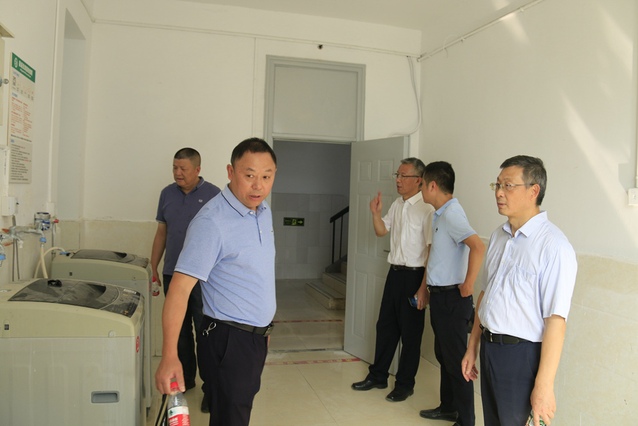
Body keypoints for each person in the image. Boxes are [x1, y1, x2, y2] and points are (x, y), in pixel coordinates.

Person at [155, 137, 277, 426]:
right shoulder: (212, 222)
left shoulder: (262, 211)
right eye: (249, 175)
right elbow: (179, 290)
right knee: (230, 417)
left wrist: (264, 326)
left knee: (237, 412)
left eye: (266, 176)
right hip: (228, 339)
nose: (258, 186)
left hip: (254, 337)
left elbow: (258, 272)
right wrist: (170, 356)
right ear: (230, 172)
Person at [461, 155, 577, 426]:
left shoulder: (554, 246)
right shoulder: (498, 236)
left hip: (521, 356)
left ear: (533, 191)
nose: (499, 193)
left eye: (508, 185)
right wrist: (472, 345)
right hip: (490, 348)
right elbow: (485, 294)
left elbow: (556, 321)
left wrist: (544, 386)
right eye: (497, 185)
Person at [351, 158, 434, 402]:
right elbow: (381, 231)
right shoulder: (398, 204)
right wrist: (375, 214)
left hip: (415, 276)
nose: (398, 180)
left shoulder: (427, 209)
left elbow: (432, 251)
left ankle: (405, 385)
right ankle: (378, 376)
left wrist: (424, 288)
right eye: (397, 175)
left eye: (403, 176)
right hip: (395, 274)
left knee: (410, 334)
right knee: (386, 326)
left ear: (418, 180)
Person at [151, 147, 220, 412]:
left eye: (183, 169)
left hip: (203, 277)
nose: (178, 173)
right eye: (174, 168)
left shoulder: (214, 195)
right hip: (172, 272)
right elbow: (162, 232)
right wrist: (154, 265)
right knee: (178, 332)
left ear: (197, 169)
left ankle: (210, 388)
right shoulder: (166, 194)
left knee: (205, 331)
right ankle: (185, 380)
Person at [418, 161, 485, 426]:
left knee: (458, 362)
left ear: (433, 186)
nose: (421, 189)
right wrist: (425, 288)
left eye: (422, 184)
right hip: (440, 297)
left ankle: (466, 420)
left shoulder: (452, 215)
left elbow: (477, 247)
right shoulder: (440, 215)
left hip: (452, 299)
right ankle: (448, 407)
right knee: (444, 355)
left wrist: (469, 284)